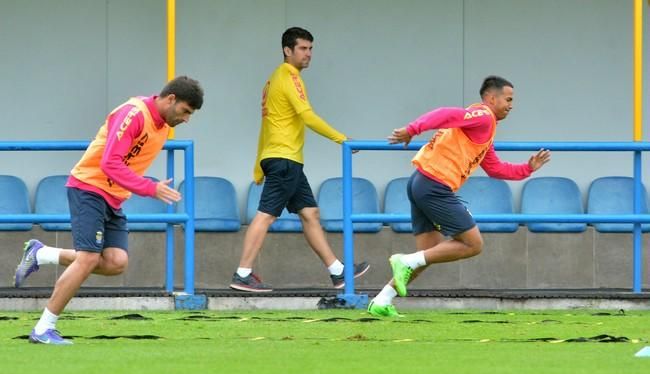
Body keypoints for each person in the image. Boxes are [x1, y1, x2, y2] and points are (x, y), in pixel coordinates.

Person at [14, 76, 204, 344]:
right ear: (170, 99)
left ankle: (42, 253)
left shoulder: (162, 127)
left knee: (116, 262)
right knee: (89, 258)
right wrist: (150, 188)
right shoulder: (133, 113)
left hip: (113, 197)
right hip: (89, 187)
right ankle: (44, 328)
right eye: (185, 111)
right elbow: (110, 163)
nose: (187, 119)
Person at [368, 76, 551, 317]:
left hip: (420, 182)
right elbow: (444, 112)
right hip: (434, 185)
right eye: (508, 99)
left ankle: (382, 300)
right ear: (491, 98)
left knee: (427, 255)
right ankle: (405, 261)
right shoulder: (483, 116)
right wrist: (412, 129)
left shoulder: (482, 128)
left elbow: (495, 168)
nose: (511, 105)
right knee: (473, 244)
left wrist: (527, 169)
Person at [230, 27, 369, 292]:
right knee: (266, 216)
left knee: (310, 213)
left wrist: (258, 164)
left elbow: (266, 124)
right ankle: (242, 273)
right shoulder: (289, 76)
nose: (308, 54)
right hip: (284, 159)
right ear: (287, 50)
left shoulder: (273, 80)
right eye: (303, 49)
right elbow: (307, 115)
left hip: (283, 158)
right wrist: (342, 139)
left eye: (310, 48)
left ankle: (337, 271)